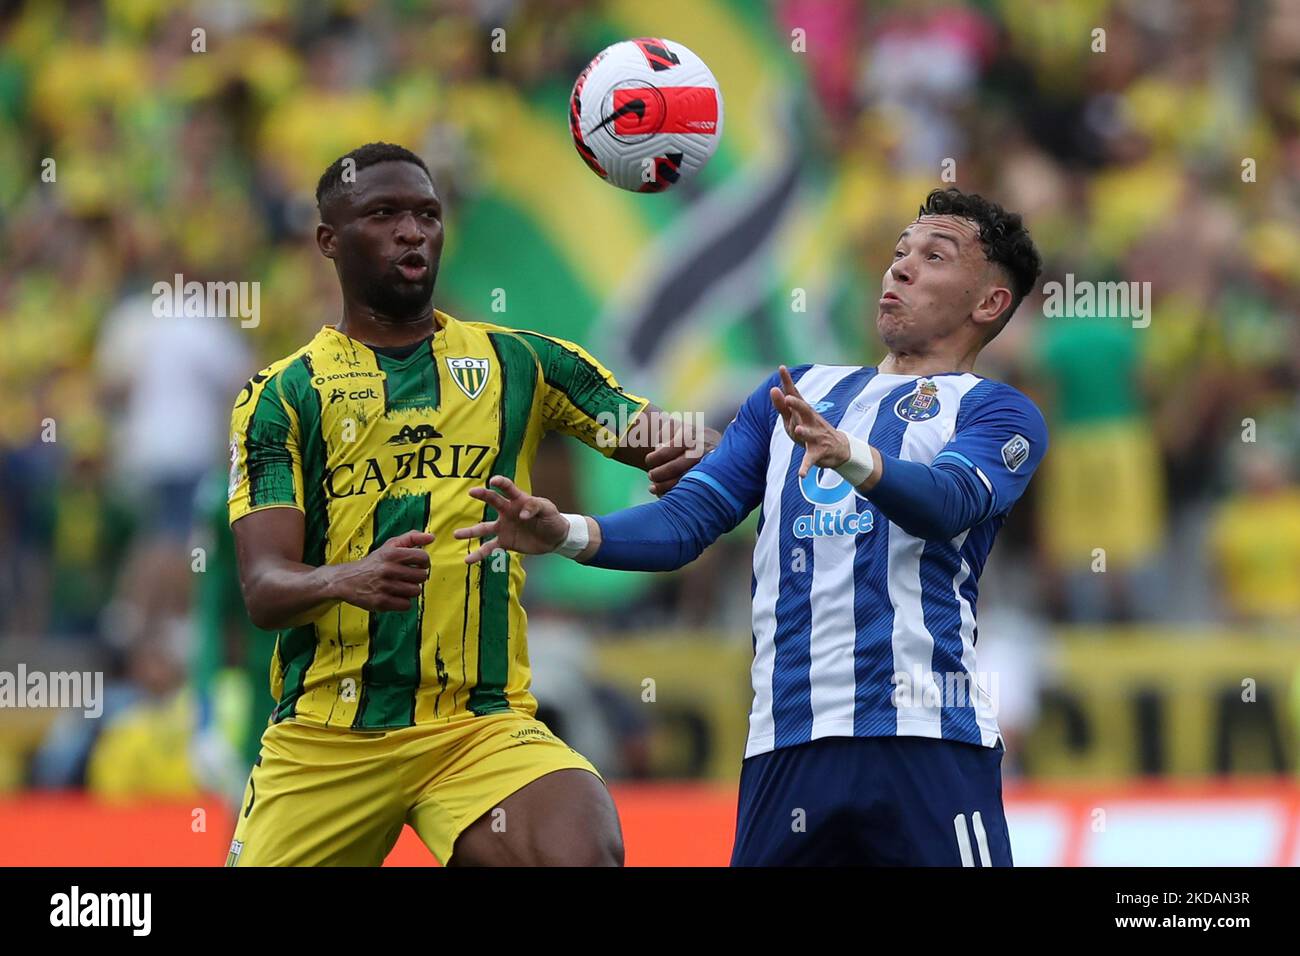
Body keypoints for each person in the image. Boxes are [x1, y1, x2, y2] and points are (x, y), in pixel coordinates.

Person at [456, 187, 1048, 866]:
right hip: (787, 743)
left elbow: (945, 503)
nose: (901, 269)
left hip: (925, 739)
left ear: (989, 304)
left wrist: (849, 455)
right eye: (898, 253)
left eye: (933, 256)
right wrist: (565, 530)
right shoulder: (794, 395)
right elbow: (687, 522)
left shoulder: (1000, 413)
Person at [225, 142, 714, 867]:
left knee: (578, 846)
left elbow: (659, 434)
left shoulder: (523, 363)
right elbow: (264, 590)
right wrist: (345, 578)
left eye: (426, 214)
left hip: (477, 725)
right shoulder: (281, 397)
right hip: (328, 735)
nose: (411, 231)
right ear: (329, 239)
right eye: (384, 214)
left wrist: (696, 447)